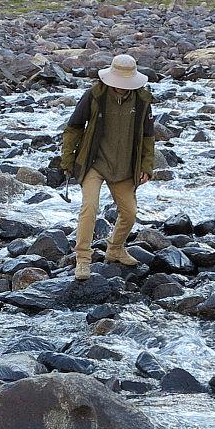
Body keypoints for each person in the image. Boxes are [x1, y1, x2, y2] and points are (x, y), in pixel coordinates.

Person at [60, 53, 157, 281]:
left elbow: (148, 136)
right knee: (89, 208)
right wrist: (67, 161)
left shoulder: (143, 100)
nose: (122, 88)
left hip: (124, 167)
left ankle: (114, 249)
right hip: (95, 163)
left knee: (130, 213)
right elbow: (73, 127)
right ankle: (83, 259)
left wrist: (146, 166)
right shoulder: (94, 95)